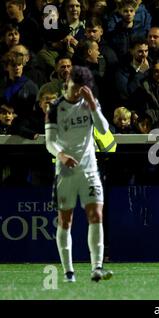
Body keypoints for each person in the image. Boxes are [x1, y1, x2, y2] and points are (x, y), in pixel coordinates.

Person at [45, 66, 113, 282]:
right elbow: (49, 142)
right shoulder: (55, 107)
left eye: (81, 89)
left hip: (89, 169)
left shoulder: (89, 103)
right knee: (66, 221)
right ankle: (68, 272)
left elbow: (103, 129)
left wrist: (93, 105)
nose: (77, 93)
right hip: (65, 172)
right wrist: (61, 155)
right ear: (68, 82)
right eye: (74, 87)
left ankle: (97, 268)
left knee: (96, 216)